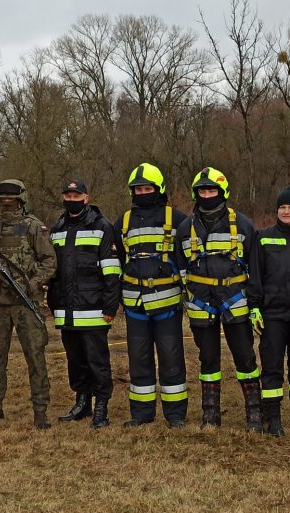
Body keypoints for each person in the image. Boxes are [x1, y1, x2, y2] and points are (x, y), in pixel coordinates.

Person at [176, 167, 262, 432]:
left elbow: (255, 267)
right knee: (208, 359)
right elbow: (181, 269)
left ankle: (255, 415)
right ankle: (210, 415)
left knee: (245, 358)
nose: (207, 195)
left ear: (222, 192)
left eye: (211, 190)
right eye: (202, 191)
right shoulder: (184, 228)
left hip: (235, 301)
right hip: (201, 303)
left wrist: (255, 303)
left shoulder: (243, 225)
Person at [0, 179, 57, 429]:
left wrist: (33, 284)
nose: (6, 204)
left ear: (21, 200)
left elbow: (49, 262)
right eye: (2, 200)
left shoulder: (34, 228)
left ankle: (40, 410)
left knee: (35, 357)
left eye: (11, 200)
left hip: (26, 304)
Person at [114, 164, 188, 428]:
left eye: (147, 189)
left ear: (159, 190)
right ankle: (142, 413)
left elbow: (186, 258)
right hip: (135, 303)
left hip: (167, 302)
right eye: (138, 189)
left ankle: (175, 414)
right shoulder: (122, 221)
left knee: (171, 357)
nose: (143, 193)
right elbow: (117, 263)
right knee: (139, 358)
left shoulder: (177, 219)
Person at [48, 179, 119, 429]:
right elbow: (52, 270)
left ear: (86, 198)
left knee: (97, 360)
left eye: (76, 195)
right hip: (66, 310)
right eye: (67, 195)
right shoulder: (57, 229)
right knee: (75, 360)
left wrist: (110, 307)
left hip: (93, 308)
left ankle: (101, 406)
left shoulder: (102, 227)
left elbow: (112, 271)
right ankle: (82, 402)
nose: (72, 199)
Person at [248, 187, 290, 437]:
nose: (286, 211)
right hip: (272, 315)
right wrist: (254, 307)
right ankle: (273, 419)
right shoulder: (262, 237)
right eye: (282, 207)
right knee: (272, 367)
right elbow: (255, 275)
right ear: (277, 210)